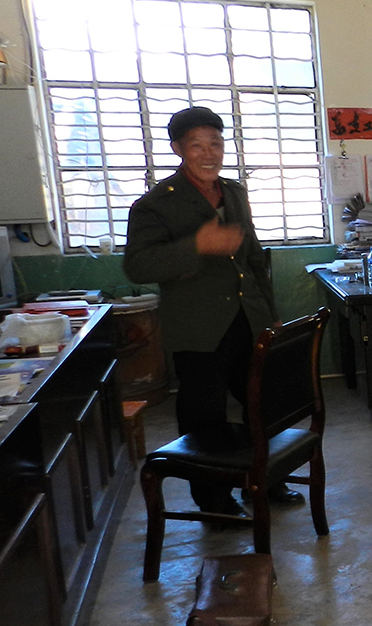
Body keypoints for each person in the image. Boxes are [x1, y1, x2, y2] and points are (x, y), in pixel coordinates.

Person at [124, 106, 300, 515]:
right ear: (178, 150)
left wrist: (271, 313)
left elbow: (255, 258)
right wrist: (197, 246)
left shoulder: (235, 193)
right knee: (206, 417)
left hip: (249, 320)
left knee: (265, 404)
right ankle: (215, 503)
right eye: (197, 145)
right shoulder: (155, 204)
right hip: (199, 329)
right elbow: (139, 265)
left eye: (216, 143)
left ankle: (267, 482)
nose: (209, 153)